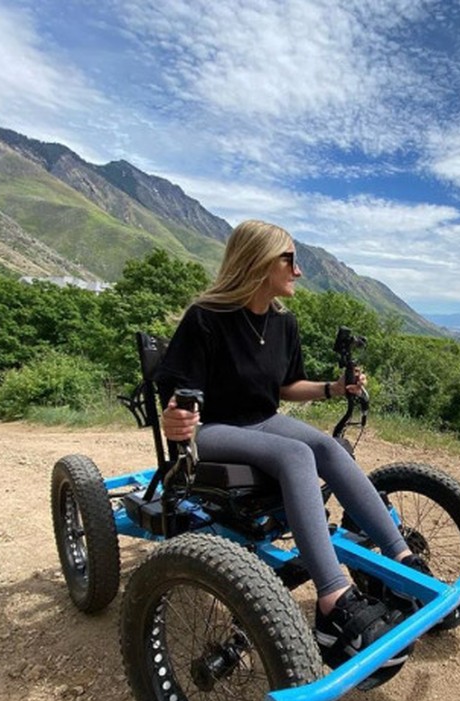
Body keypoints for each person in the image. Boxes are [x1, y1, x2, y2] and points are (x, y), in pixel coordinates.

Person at [155, 219, 430, 668]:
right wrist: (175, 417)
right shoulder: (206, 319)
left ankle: (403, 562)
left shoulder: (284, 324)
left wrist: (333, 389)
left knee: (330, 448)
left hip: (263, 419)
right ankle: (332, 600)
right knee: (297, 453)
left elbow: (285, 386)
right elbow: (178, 395)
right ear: (260, 262)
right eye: (290, 260)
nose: (298, 271)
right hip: (216, 429)